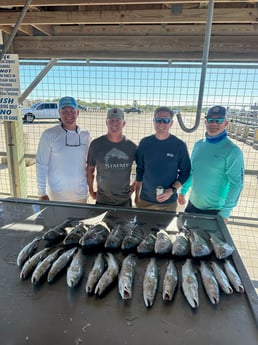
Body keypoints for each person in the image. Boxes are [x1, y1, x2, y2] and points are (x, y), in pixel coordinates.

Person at [178, 105, 244, 222]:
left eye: (218, 120)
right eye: (210, 120)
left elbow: (236, 185)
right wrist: (183, 191)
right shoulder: (198, 145)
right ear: (205, 121)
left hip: (214, 211)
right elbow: (193, 172)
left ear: (226, 123)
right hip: (192, 204)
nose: (214, 124)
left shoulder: (233, 151)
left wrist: (225, 213)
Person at [134, 106, 191, 212]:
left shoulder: (179, 145)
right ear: (154, 121)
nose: (161, 124)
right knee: (142, 228)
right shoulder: (145, 143)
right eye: (158, 120)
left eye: (166, 120)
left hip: (168, 203)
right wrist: (136, 195)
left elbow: (185, 172)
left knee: (163, 228)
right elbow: (140, 170)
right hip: (145, 201)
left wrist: (172, 190)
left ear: (171, 123)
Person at [36, 96, 91, 203]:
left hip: (81, 194)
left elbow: (89, 165)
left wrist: (92, 189)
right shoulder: (49, 134)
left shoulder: (86, 135)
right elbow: (41, 164)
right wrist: (41, 193)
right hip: (57, 195)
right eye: (64, 111)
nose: (68, 114)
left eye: (72, 110)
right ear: (59, 113)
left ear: (78, 112)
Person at [86, 107, 137, 207]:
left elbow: (142, 168)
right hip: (102, 200)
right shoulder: (96, 144)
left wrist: (134, 185)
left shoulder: (132, 146)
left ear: (124, 123)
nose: (114, 123)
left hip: (124, 200)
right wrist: (91, 191)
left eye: (118, 120)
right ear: (106, 123)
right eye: (111, 120)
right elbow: (89, 169)